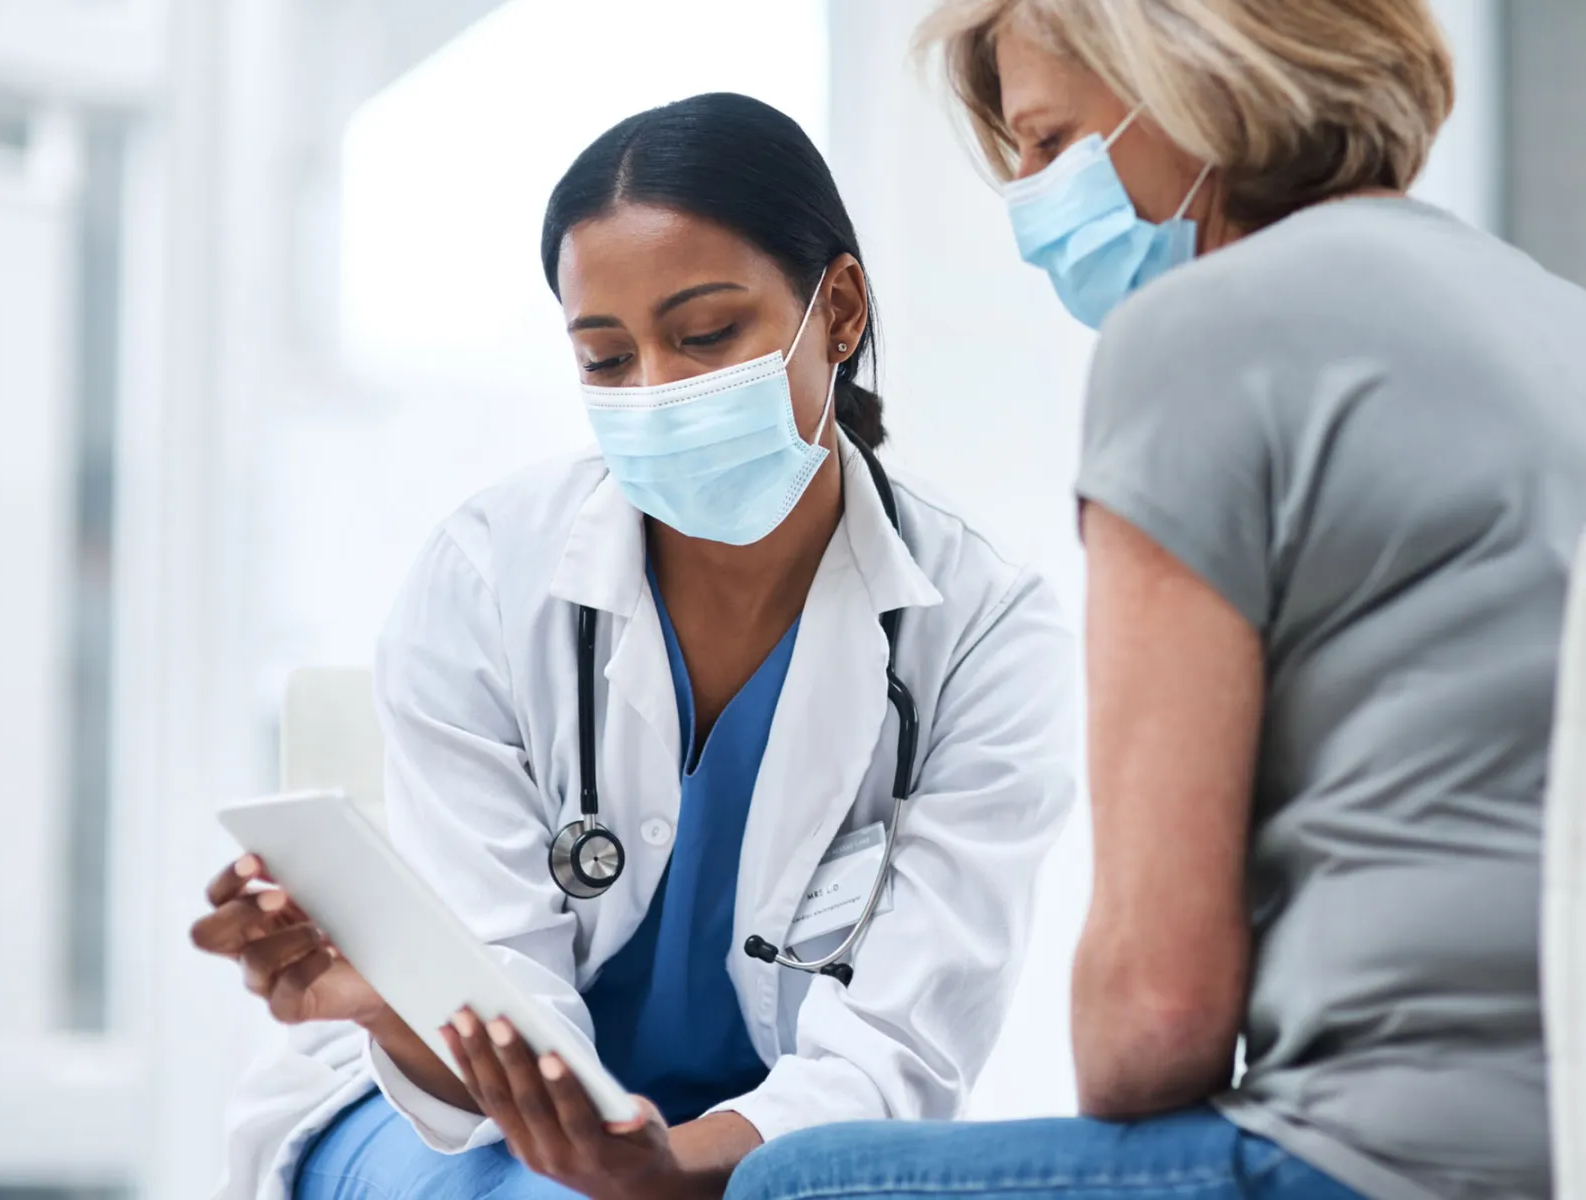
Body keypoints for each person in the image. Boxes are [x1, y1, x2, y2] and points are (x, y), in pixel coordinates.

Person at [723, 2, 1586, 1199]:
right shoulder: (1552, 314)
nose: (1029, 202)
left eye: (1046, 141)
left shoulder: (1195, 334)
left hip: (1385, 1156)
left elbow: (1153, 1015)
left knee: (790, 1185)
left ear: (1194, 82)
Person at [192, 92, 1078, 1200]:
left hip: (764, 1147)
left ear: (841, 310)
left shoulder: (983, 631)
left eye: (705, 336)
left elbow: (897, 1051)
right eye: (607, 360)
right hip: (450, 1121)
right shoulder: (487, 578)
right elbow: (493, 1003)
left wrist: (670, 1167)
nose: (657, 392)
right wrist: (396, 1007)